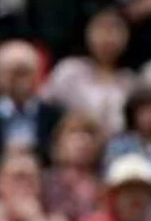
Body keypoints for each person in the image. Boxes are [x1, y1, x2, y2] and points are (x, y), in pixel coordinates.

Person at [0, 41, 63, 192]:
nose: (18, 79)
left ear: (37, 75)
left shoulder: (56, 118)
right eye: (11, 72)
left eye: (24, 72)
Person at [43, 8, 136, 139]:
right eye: (100, 28)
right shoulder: (69, 70)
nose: (107, 37)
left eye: (115, 29)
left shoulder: (130, 80)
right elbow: (44, 109)